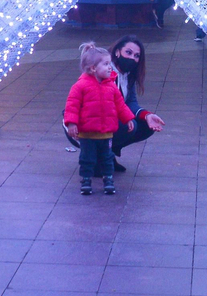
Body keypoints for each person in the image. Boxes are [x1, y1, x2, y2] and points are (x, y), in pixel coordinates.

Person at [63, 42, 135, 196]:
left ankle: (108, 179)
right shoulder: (80, 86)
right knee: (87, 158)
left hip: (106, 132)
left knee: (107, 158)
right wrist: (71, 123)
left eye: (110, 64)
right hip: (87, 133)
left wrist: (128, 118)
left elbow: (120, 105)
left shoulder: (111, 86)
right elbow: (72, 106)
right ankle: (86, 180)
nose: (110, 67)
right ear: (93, 68)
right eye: (106, 64)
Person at [106, 36, 167, 172]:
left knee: (146, 126)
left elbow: (130, 102)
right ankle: (99, 155)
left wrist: (147, 116)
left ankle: (109, 153)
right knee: (129, 125)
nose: (132, 58)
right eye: (128, 52)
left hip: (113, 118)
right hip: (88, 123)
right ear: (117, 52)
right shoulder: (104, 71)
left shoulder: (127, 74)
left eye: (137, 56)